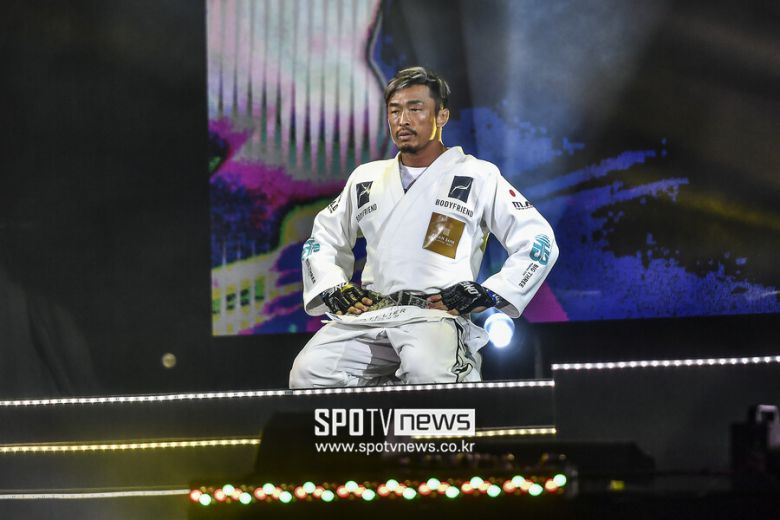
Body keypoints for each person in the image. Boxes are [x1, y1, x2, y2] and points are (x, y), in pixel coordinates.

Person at [289, 66, 558, 388]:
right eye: (394, 111)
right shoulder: (365, 178)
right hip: (372, 313)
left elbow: (537, 238)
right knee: (310, 371)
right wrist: (333, 287)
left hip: (434, 313)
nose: (403, 120)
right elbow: (322, 238)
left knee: (428, 374)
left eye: (415, 109)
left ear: (441, 116)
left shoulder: (477, 175)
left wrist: (491, 292)